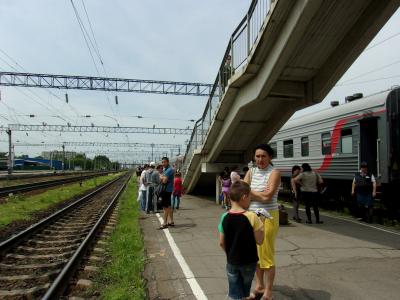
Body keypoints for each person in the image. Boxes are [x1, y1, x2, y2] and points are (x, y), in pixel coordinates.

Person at [243, 144, 281, 300]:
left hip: (268, 217)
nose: (260, 159)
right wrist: (257, 193)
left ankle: (268, 291)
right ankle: (259, 286)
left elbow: (267, 197)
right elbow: (241, 191)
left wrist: (249, 192)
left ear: (270, 157)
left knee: (266, 254)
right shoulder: (251, 172)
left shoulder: (274, 173)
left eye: (263, 156)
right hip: (251, 216)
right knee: (254, 255)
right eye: (257, 156)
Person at [218, 181, 264, 300]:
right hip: (249, 262)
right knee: (244, 291)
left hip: (232, 261)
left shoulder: (224, 217)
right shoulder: (253, 217)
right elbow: (260, 241)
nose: (250, 201)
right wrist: (262, 224)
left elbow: (221, 242)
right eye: (250, 198)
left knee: (234, 291)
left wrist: (230, 253)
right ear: (244, 197)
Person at [159, 157, 175, 229]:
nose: (163, 163)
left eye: (164, 162)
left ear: (168, 162)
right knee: (169, 206)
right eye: (162, 162)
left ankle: (165, 223)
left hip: (167, 190)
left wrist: (161, 177)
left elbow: (164, 180)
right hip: (167, 190)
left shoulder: (169, 169)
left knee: (165, 207)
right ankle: (171, 221)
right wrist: (162, 177)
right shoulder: (165, 169)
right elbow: (162, 178)